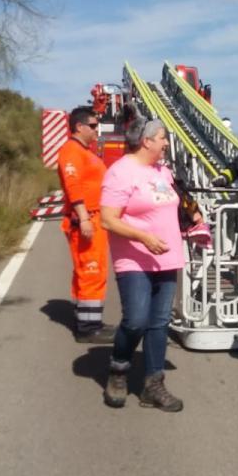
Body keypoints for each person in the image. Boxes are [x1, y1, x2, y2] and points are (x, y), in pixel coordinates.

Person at [100, 118, 199, 412]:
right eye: (163, 137)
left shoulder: (163, 171)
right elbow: (108, 219)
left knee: (159, 323)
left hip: (166, 257)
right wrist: (143, 237)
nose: (166, 143)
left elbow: (174, 202)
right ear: (147, 141)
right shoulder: (121, 172)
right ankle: (119, 369)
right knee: (136, 320)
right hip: (134, 257)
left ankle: (153, 385)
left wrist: (193, 217)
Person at [58, 106, 115, 343]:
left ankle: (86, 318)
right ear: (79, 127)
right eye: (92, 126)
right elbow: (73, 186)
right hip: (86, 218)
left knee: (89, 269)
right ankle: (89, 327)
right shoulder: (72, 152)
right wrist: (82, 217)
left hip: (94, 217)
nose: (96, 130)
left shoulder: (84, 152)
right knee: (91, 269)